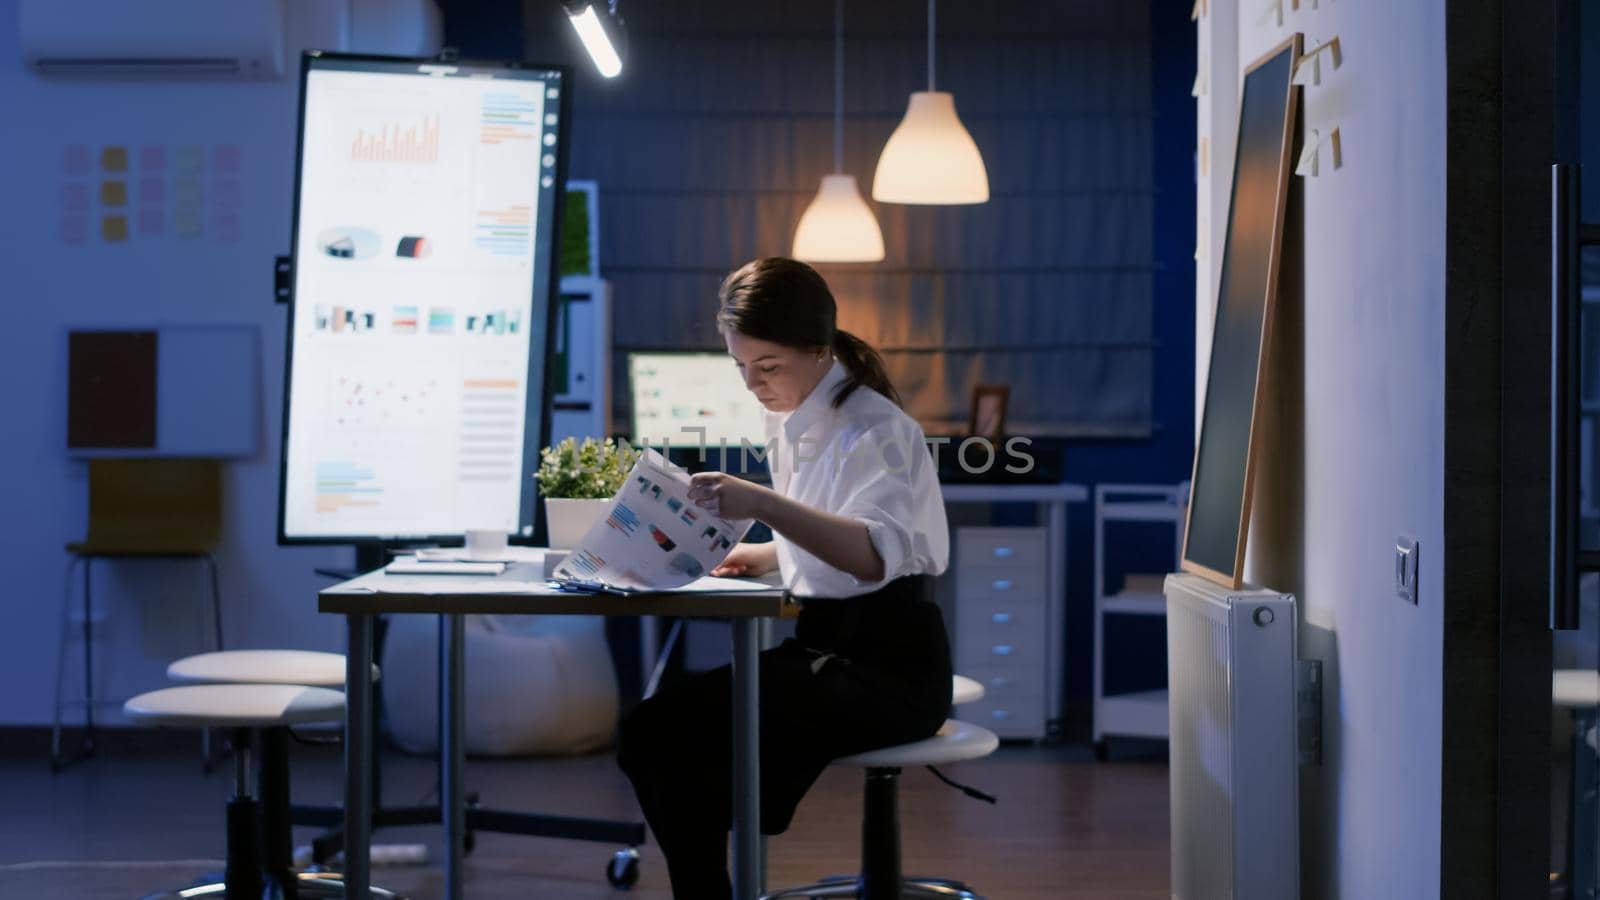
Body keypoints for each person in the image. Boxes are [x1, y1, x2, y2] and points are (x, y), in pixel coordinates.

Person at [616, 257, 952, 899]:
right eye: (741, 368)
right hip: (827, 652)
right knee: (656, 732)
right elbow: (838, 526)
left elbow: (875, 556)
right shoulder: (797, 415)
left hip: (889, 672)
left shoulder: (875, 429)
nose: (753, 386)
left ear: (817, 349)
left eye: (766, 367)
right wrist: (770, 554)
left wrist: (761, 505)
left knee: (670, 738)